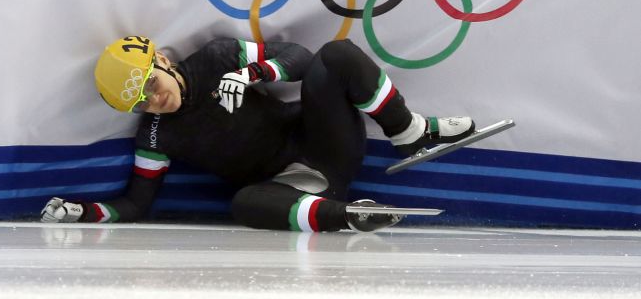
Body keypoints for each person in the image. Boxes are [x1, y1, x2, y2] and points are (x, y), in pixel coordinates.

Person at [41, 36, 474, 232]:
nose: (154, 102)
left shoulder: (216, 56)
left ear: (163, 63)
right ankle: (349, 216)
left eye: (151, 85)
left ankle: (409, 131)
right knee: (244, 204)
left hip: (325, 141)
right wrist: (86, 213)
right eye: (140, 102)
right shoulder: (154, 136)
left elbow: (301, 58)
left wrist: (252, 73)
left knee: (336, 55)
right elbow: (136, 204)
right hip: (295, 187)